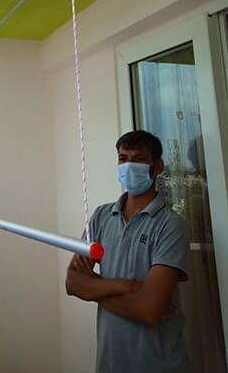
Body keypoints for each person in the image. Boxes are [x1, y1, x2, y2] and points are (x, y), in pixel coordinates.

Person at [66, 130, 190, 373]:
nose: (129, 166)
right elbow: (72, 283)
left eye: (139, 159)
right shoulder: (101, 216)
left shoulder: (171, 225)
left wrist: (93, 288)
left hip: (159, 365)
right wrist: (127, 286)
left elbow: (149, 309)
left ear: (158, 166)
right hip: (110, 362)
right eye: (123, 159)